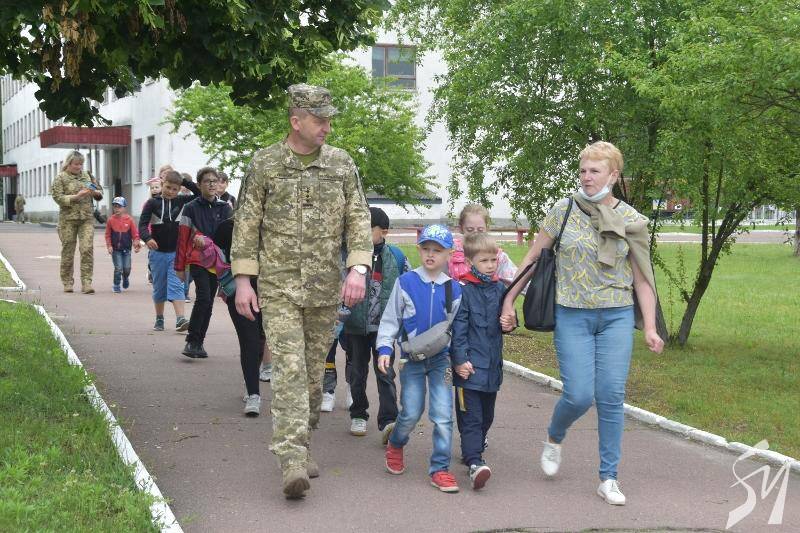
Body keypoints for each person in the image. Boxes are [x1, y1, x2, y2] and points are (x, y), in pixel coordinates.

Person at [501, 141, 664, 506]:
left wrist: (651, 328)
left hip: (617, 315)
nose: (587, 177)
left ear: (613, 175)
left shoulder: (632, 220)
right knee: (578, 395)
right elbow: (533, 258)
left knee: (611, 396)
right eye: (583, 171)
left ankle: (609, 477)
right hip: (572, 314)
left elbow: (643, 279)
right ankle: (555, 435)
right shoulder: (563, 210)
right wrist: (509, 298)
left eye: (595, 171)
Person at [231, 83, 372, 499]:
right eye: (319, 120)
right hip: (278, 287)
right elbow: (246, 224)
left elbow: (358, 218)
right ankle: (291, 458)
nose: (327, 127)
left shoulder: (341, 164)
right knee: (290, 370)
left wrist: (358, 268)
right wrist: (243, 280)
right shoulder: (265, 164)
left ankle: (303, 441)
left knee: (312, 375)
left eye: (329, 119)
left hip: (325, 287)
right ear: (296, 121)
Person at [376, 224, 463, 493]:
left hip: (441, 360)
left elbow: (458, 329)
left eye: (437, 250)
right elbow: (390, 319)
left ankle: (440, 469)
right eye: (426, 249)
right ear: (419, 250)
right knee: (411, 413)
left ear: (449, 254)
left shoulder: (455, 289)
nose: (430, 254)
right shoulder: (406, 282)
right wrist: (385, 349)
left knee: (443, 416)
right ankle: (396, 443)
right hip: (411, 359)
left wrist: (461, 358)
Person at [451, 232, 512, 490]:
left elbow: (507, 320)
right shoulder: (463, 290)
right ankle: (475, 462)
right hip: (469, 369)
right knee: (471, 418)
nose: (490, 265)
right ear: (469, 262)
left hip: (492, 369)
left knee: (487, 417)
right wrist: (460, 360)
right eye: (484, 260)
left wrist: (510, 323)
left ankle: (472, 449)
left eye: (493, 260)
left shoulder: (500, 289)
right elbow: (458, 330)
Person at [344, 207, 409, 441]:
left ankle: (389, 420)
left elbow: (408, 287)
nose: (361, 234)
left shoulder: (397, 257)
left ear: (384, 232)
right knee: (357, 373)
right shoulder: (350, 256)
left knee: (385, 373)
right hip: (355, 326)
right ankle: (358, 414)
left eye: (368, 229)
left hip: (385, 330)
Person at [214, 216, 273, 416]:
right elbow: (217, 257)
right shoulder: (227, 228)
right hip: (239, 290)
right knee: (249, 340)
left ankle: (251, 381)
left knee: (261, 338)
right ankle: (253, 393)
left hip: (271, 290)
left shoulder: (274, 226)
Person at [175, 167, 233, 359]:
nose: (212, 184)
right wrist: (179, 267)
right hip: (197, 259)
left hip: (217, 261)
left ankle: (198, 342)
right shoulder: (190, 208)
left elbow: (230, 236)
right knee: (204, 298)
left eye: (214, 181)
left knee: (208, 303)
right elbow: (182, 238)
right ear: (199, 185)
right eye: (207, 181)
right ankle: (192, 341)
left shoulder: (225, 208)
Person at [138, 170, 199, 332]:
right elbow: (142, 225)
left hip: (176, 254)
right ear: (162, 184)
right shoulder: (152, 203)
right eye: (168, 187)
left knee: (177, 285)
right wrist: (147, 238)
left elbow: (199, 193)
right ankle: (159, 318)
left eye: (174, 189)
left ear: (179, 189)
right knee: (159, 287)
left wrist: (183, 181)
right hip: (157, 254)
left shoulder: (183, 201)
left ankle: (180, 319)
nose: (171, 191)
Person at [51, 151, 103, 294]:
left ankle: (86, 283)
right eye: (76, 164)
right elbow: (57, 197)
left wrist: (94, 193)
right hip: (68, 220)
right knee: (68, 251)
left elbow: (100, 193)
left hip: (86, 218)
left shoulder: (87, 176)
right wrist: (76, 196)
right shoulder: (61, 178)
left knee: (87, 249)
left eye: (81, 164)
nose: (79, 167)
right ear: (69, 163)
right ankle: (67, 282)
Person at [448, 203, 518, 285]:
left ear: (487, 228)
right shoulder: (450, 252)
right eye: (470, 230)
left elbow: (516, 281)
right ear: (461, 228)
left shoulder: (497, 255)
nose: (475, 234)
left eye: (480, 230)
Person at [104, 197, 141, 293]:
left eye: (119, 206)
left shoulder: (129, 220)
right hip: (115, 250)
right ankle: (116, 285)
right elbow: (107, 235)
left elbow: (135, 234)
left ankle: (125, 277)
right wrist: (109, 246)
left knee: (127, 269)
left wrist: (136, 243)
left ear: (124, 208)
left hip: (127, 250)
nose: (117, 209)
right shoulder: (110, 220)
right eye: (115, 206)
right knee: (118, 268)